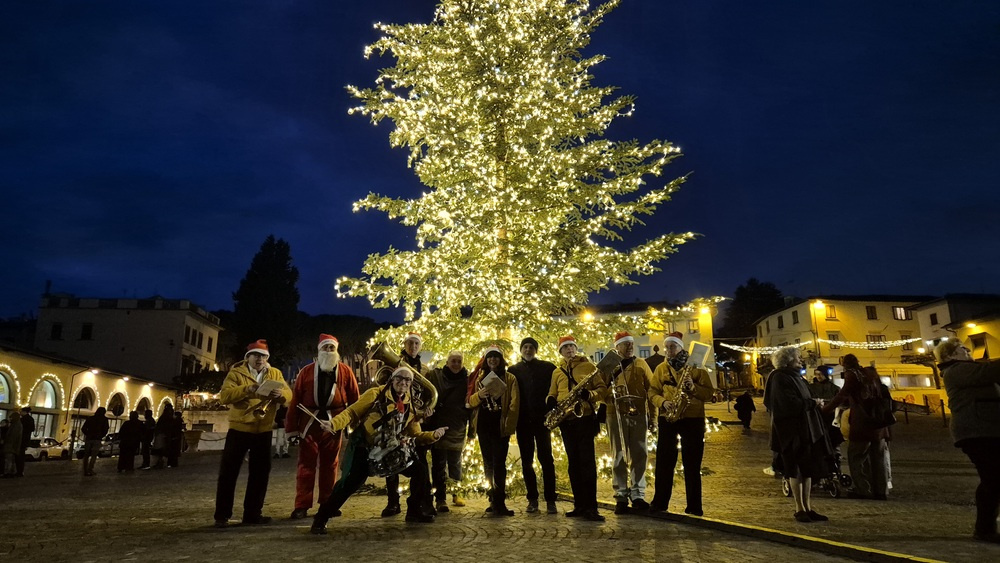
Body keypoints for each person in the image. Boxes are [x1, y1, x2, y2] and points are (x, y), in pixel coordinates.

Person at [310, 366, 449, 534]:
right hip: (365, 446)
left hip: (388, 448)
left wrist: (434, 434)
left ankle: (414, 510)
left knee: (419, 470)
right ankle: (322, 517)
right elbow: (352, 412)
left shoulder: (409, 403)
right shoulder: (375, 394)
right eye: (400, 378)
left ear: (411, 384)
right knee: (351, 483)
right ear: (392, 379)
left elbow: (416, 434)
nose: (403, 382)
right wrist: (333, 424)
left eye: (407, 380)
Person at [213, 339, 292, 528]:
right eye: (256, 355)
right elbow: (224, 396)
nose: (260, 359)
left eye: (263, 356)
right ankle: (222, 515)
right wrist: (246, 389)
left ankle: (252, 513)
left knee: (260, 473)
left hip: (263, 428)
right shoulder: (236, 373)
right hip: (239, 428)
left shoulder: (275, 373)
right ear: (248, 357)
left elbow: (289, 394)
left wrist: (280, 396)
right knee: (228, 473)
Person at [285, 334, 360, 520]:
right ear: (319, 351)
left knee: (331, 465)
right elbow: (295, 402)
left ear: (337, 351)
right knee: (305, 465)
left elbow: (355, 401)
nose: (328, 351)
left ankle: (327, 503)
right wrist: (292, 429)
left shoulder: (346, 372)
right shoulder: (306, 372)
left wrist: (353, 426)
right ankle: (301, 505)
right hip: (309, 424)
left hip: (334, 423)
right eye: (325, 348)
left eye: (331, 348)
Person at [936, 339, 1000, 543]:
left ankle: (985, 528)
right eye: (962, 349)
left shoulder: (966, 369)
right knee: (993, 478)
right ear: (949, 356)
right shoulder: (956, 370)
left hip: (987, 430)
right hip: (976, 432)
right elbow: (989, 372)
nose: (968, 351)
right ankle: (984, 530)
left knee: (993, 479)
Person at [647, 332, 714, 516]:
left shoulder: (696, 367)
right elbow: (652, 391)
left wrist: (693, 388)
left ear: (681, 347)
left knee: (692, 464)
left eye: (672, 347)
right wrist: (662, 402)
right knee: (664, 462)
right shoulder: (661, 368)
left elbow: (708, 393)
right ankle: (660, 503)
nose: (669, 351)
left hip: (693, 418)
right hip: (668, 418)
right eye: (666, 347)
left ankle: (694, 506)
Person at [764, 346, 832, 523]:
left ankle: (808, 507)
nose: (800, 360)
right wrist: (811, 403)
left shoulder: (796, 377)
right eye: (797, 358)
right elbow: (787, 404)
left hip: (806, 429)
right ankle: (799, 508)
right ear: (787, 360)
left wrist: (813, 402)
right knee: (795, 470)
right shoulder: (779, 377)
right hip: (791, 432)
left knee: (807, 470)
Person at [546, 335, 607, 521]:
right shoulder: (557, 371)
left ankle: (591, 507)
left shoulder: (589, 367)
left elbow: (602, 390)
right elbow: (553, 392)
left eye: (572, 347)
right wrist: (550, 400)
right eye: (566, 348)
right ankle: (579, 505)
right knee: (573, 464)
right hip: (567, 421)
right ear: (561, 352)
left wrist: (589, 394)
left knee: (587, 463)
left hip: (585, 419)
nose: (569, 350)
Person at [823, 354, 889, 500]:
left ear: (845, 364)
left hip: (862, 422)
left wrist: (824, 410)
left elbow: (842, 395)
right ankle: (881, 491)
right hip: (878, 422)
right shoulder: (870, 372)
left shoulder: (852, 375)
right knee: (878, 458)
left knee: (856, 456)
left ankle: (864, 489)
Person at [467, 346, 520, 516]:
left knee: (499, 464)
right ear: (485, 360)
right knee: (488, 464)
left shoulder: (510, 378)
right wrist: (480, 395)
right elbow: (471, 401)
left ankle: (500, 502)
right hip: (483, 425)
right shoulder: (479, 378)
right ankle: (492, 500)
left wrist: (508, 426)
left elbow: (514, 404)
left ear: (501, 360)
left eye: (496, 357)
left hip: (499, 427)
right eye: (489, 357)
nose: (492, 360)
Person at [508, 337, 559, 514]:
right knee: (527, 461)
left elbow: (556, 389)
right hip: (523, 423)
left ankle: (551, 500)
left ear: (536, 350)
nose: (528, 350)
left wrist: (552, 410)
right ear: (521, 350)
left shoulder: (548, 367)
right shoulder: (513, 370)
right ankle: (532, 499)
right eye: (525, 347)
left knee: (547, 460)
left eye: (531, 347)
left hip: (542, 421)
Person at [383, 332, 431, 518]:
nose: (413, 347)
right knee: (391, 463)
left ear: (420, 346)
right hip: (393, 419)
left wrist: (426, 410)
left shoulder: (425, 370)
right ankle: (393, 502)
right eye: (410, 343)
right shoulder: (392, 365)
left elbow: (428, 395)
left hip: (414, 421)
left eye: (417, 344)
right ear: (404, 344)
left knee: (418, 463)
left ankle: (417, 504)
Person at [605, 331, 653, 514]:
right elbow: (599, 388)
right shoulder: (609, 364)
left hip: (638, 413)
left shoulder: (641, 363)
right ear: (617, 347)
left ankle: (638, 494)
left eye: (631, 344)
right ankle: (621, 496)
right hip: (615, 413)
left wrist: (653, 418)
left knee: (640, 453)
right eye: (626, 344)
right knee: (618, 455)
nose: (630, 347)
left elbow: (652, 388)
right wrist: (611, 395)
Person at [426, 350, 472, 512]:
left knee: (455, 463)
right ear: (447, 362)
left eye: (459, 361)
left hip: (457, 426)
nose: (456, 364)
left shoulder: (467, 380)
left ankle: (456, 493)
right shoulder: (436, 376)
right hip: (439, 425)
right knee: (438, 464)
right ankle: (440, 498)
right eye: (453, 360)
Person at [81, 407, 109, 477]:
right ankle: (90, 469)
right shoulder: (104, 419)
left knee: (86, 455)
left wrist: (88, 434)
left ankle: (85, 470)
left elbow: (83, 428)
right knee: (94, 455)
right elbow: (105, 429)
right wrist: (101, 436)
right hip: (97, 439)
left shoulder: (90, 418)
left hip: (89, 438)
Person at [151, 403, 175, 469]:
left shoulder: (165, 417)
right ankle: (161, 462)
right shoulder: (169, 418)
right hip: (165, 435)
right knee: (162, 450)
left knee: (160, 450)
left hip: (162, 435)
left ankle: (160, 462)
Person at [15, 407, 34, 477]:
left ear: (24, 412)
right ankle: (20, 471)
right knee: (21, 457)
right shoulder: (31, 419)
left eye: (21, 411)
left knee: (19, 457)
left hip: (21, 440)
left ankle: (19, 471)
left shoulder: (22, 420)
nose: (20, 412)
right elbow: (32, 429)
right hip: (25, 440)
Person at [1, 412, 21, 478]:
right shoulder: (16, 424)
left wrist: (6, 441)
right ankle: (11, 472)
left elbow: (12, 436)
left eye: (11, 417)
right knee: (11, 460)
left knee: (8, 460)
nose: (10, 419)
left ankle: (7, 472)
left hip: (10, 446)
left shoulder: (15, 425)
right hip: (12, 446)